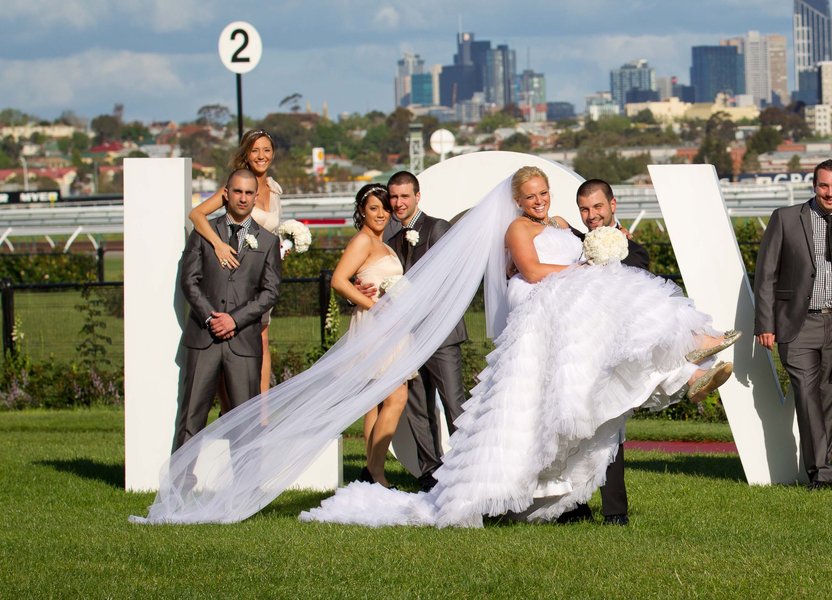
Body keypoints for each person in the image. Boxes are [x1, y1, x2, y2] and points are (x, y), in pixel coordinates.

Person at [135, 165, 737, 526]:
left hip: (568, 306)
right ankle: (678, 365)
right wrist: (583, 270)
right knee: (437, 407)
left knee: (614, 330)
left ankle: (686, 361)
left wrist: (598, 250)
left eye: (544, 198)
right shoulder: (515, 231)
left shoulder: (563, 227)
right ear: (516, 200)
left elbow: (580, 251)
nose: (540, 206)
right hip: (543, 307)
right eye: (531, 200)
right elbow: (528, 273)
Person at [555, 178, 666, 526]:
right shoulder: (572, 243)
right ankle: (572, 506)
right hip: (575, 349)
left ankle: (615, 510)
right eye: (585, 209)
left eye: (598, 207)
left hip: (612, 352)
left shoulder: (635, 250)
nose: (592, 216)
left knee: (609, 429)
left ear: (613, 205)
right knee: (572, 428)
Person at [355, 171, 468, 492]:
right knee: (418, 408)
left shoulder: (438, 228)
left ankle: (463, 470)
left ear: (418, 197)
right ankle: (430, 473)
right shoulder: (387, 240)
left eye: (405, 196)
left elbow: (451, 277)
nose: (399, 203)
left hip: (441, 334)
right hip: (405, 338)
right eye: (394, 197)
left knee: (453, 403)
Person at [754, 159, 832, 490]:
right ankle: (821, 474)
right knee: (808, 399)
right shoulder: (786, 218)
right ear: (814, 185)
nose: (830, 192)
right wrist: (765, 323)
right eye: (824, 185)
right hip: (796, 325)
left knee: (828, 403)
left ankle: (819, 463)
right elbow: (766, 274)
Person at [173, 168, 281, 452]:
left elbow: (270, 291)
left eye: (248, 193)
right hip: (203, 340)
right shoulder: (204, 234)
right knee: (190, 418)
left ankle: (247, 491)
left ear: (256, 197)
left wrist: (234, 320)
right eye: (237, 192)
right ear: (226, 194)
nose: (243, 198)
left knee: (246, 422)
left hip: (244, 341)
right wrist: (211, 317)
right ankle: (180, 488)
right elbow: (189, 281)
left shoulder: (268, 242)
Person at [330, 184, 415, 488]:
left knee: (375, 401)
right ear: (362, 211)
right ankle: (376, 472)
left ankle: (372, 472)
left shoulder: (384, 244)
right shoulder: (363, 241)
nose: (381, 214)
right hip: (375, 326)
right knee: (397, 395)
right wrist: (373, 305)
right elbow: (338, 280)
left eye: (384, 208)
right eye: (373, 209)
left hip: (392, 328)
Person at [187, 129, 283, 396]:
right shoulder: (238, 186)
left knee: (262, 340)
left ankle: (260, 408)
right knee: (240, 340)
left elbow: (271, 233)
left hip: (260, 275)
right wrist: (218, 244)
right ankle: (233, 407)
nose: (261, 156)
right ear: (245, 153)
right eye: (255, 150)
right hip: (234, 277)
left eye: (266, 150)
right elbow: (197, 215)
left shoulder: (274, 190)